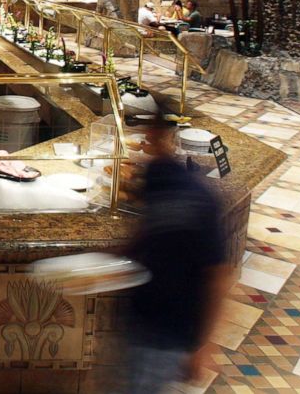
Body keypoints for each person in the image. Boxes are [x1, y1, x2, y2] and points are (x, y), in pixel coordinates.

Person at [123, 117, 230, 394]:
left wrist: (204, 345)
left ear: (164, 137)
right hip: (140, 314)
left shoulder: (200, 198)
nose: (144, 145)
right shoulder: (155, 177)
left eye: (148, 139)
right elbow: (148, 228)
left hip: (172, 326)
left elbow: (218, 276)